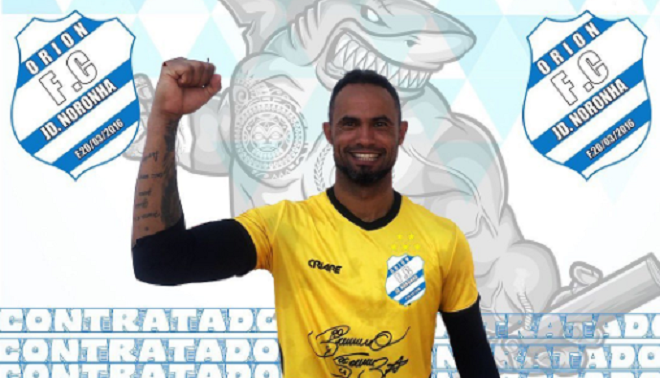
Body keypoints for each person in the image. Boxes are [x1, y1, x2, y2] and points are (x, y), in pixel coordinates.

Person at [131, 57, 500, 378]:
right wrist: (165, 117)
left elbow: (476, 363)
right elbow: (158, 261)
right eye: (350, 124)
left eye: (380, 124)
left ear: (401, 133)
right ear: (329, 133)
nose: (365, 138)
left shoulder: (442, 239)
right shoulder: (282, 229)